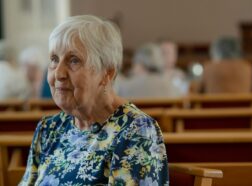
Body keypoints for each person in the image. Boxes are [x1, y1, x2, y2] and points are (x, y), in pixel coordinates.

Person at [19, 15, 169, 185]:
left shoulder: (135, 131)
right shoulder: (49, 129)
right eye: (54, 59)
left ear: (107, 73)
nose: (58, 74)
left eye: (74, 60)